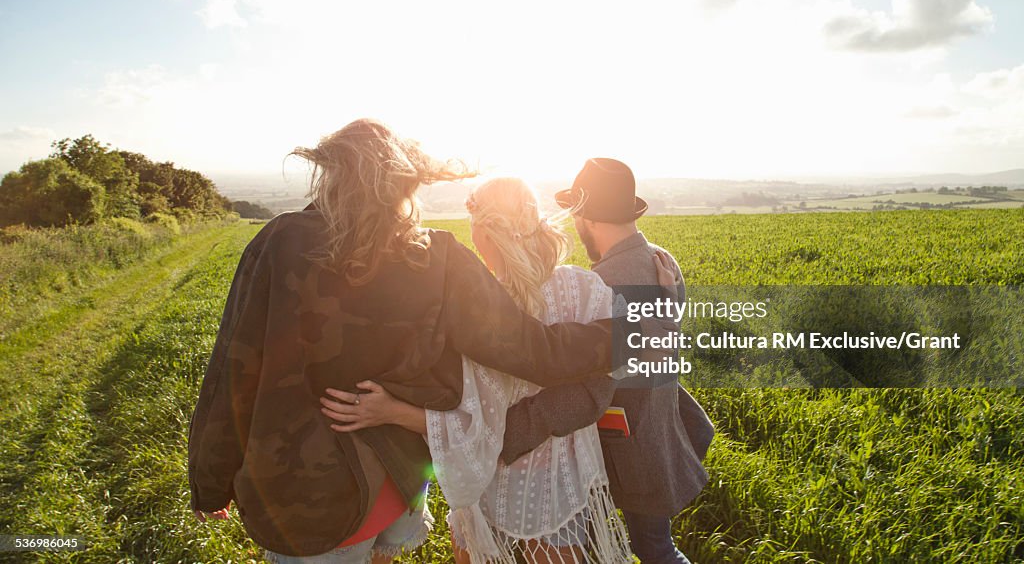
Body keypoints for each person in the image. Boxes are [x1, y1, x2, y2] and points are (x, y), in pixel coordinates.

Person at [187, 121, 617, 563]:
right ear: (403, 183)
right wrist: (625, 336)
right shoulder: (440, 256)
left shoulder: (279, 243)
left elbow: (234, 369)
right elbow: (534, 350)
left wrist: (210, 478)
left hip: (312, 500)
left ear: (332, 175)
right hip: (400, 484)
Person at [320, 178, 635, 564]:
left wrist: (389, 411)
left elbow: (469, 426)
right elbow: (617, 364)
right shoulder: (587, 289)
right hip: (559, 487)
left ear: (485, 234)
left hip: (490, 488)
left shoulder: (477, 316)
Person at [498, 158, 715, 564]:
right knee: (648, 544)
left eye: (578, 217)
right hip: (658, 433)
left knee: (653, 550)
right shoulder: (662, 261)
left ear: (586, 217)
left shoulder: (607, 284)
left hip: (630, 450)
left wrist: (507, 433)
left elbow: (590, 392)